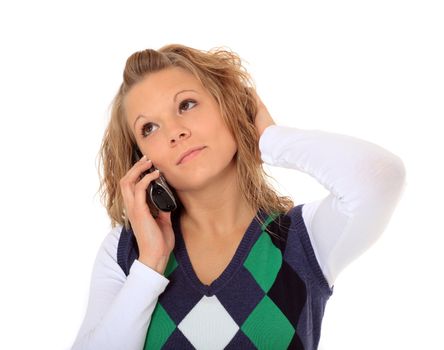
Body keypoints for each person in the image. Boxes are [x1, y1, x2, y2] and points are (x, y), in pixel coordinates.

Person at [71, 44, 407, 350]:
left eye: (186, 105)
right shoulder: (126, 253)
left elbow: (381, 176)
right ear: (141, 159)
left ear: (231, 106)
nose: (175, 132)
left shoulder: (304, 240)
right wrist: (149, 266)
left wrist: (271, 140)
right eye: (150, 128)